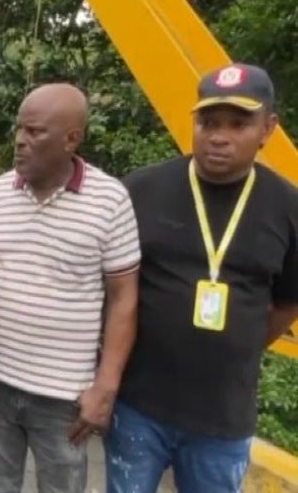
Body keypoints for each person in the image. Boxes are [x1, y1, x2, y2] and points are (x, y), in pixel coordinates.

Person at [107, 63, 298, 493]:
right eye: (208, 122)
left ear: (268, 128)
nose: (219, 136)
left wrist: (235, 344)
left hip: (222, 420)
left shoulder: (288, 209)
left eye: (238, 124)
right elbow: (113, 287)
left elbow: (288, 302)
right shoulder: (141, 191)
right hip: (140, 405)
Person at [0, 83, 140, 493]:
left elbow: (124, 300)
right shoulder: (0, 192)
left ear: (72, 139)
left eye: (34, 132)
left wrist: (106, 385)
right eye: (19, 130)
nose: (19, 141)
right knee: (0, 485)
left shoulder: (109, 200)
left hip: (62, 396)